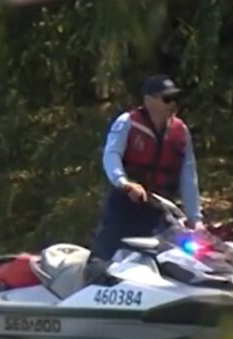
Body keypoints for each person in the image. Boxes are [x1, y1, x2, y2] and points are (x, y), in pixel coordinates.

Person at [86, 74, 203, 280]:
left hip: (159, 206)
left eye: (175, 98)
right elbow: (111, 155)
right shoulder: (127, 123)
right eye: (167, 99)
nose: (173, 104)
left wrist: (195, 218)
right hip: (126, 202)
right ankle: (91, 285)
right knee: (104, 253)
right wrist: (124, 183)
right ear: (149, 100)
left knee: (175, 252)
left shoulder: (180, 132)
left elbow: (188, 175)